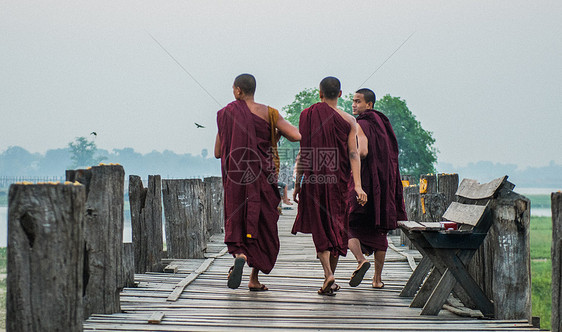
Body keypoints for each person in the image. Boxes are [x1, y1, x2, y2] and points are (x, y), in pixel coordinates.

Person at [214, 73, 301, 291]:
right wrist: (275, 132)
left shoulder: (226, 115)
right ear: (253, 90)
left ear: (237, 91)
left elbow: (217, 152)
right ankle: (254, 278)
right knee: (263, 224)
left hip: (236, 180)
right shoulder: (269, 113)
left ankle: (240, 254)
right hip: (263, 178)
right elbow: (296, 136)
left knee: (238, 220)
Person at [292, 76, 367, 296]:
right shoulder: (349, 121)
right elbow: (354, 154)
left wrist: (298, 184)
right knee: (336, 227)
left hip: (315, 182)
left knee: (320, 228)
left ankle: (328, 275)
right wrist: (358, 186)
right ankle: (330, 278)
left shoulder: (307, 115)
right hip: (340, 183)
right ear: (341, 94)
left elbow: (304, 153)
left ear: (320, 93)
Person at [347, 88, 407, 288]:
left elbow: (362, 151)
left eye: (358, 101)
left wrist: (348, 155)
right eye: (353, 101)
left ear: (369, 105)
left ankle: (360, 260)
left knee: (347, 224)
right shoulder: (382, 123)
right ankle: (377, 279)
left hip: (364, 181)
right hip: (384, 182)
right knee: (379, 229)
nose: (354, 105)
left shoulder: (360, 123)